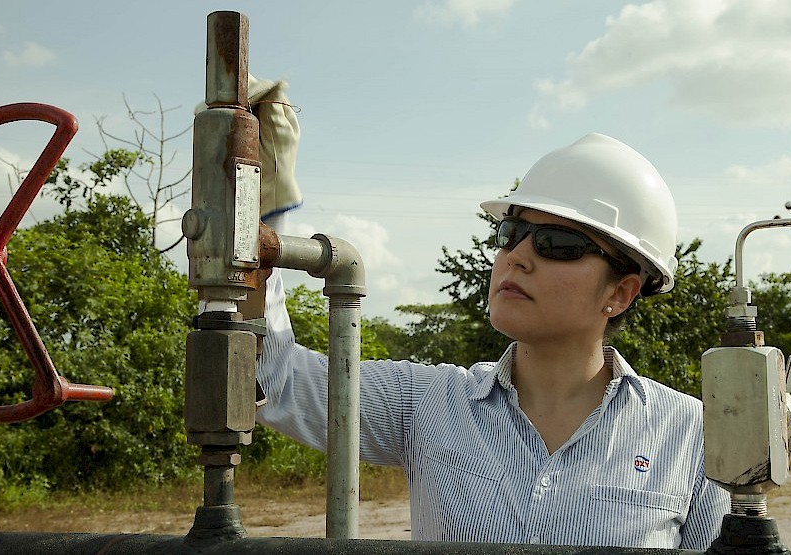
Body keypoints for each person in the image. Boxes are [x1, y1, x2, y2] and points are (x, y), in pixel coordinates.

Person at [255, 133, 731, 548]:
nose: (517, 256)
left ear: (621, 292)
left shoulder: (693, 435)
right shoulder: (429, 404)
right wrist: (260, 209)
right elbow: (279, 381)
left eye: (557, 245)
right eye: (511, 234)